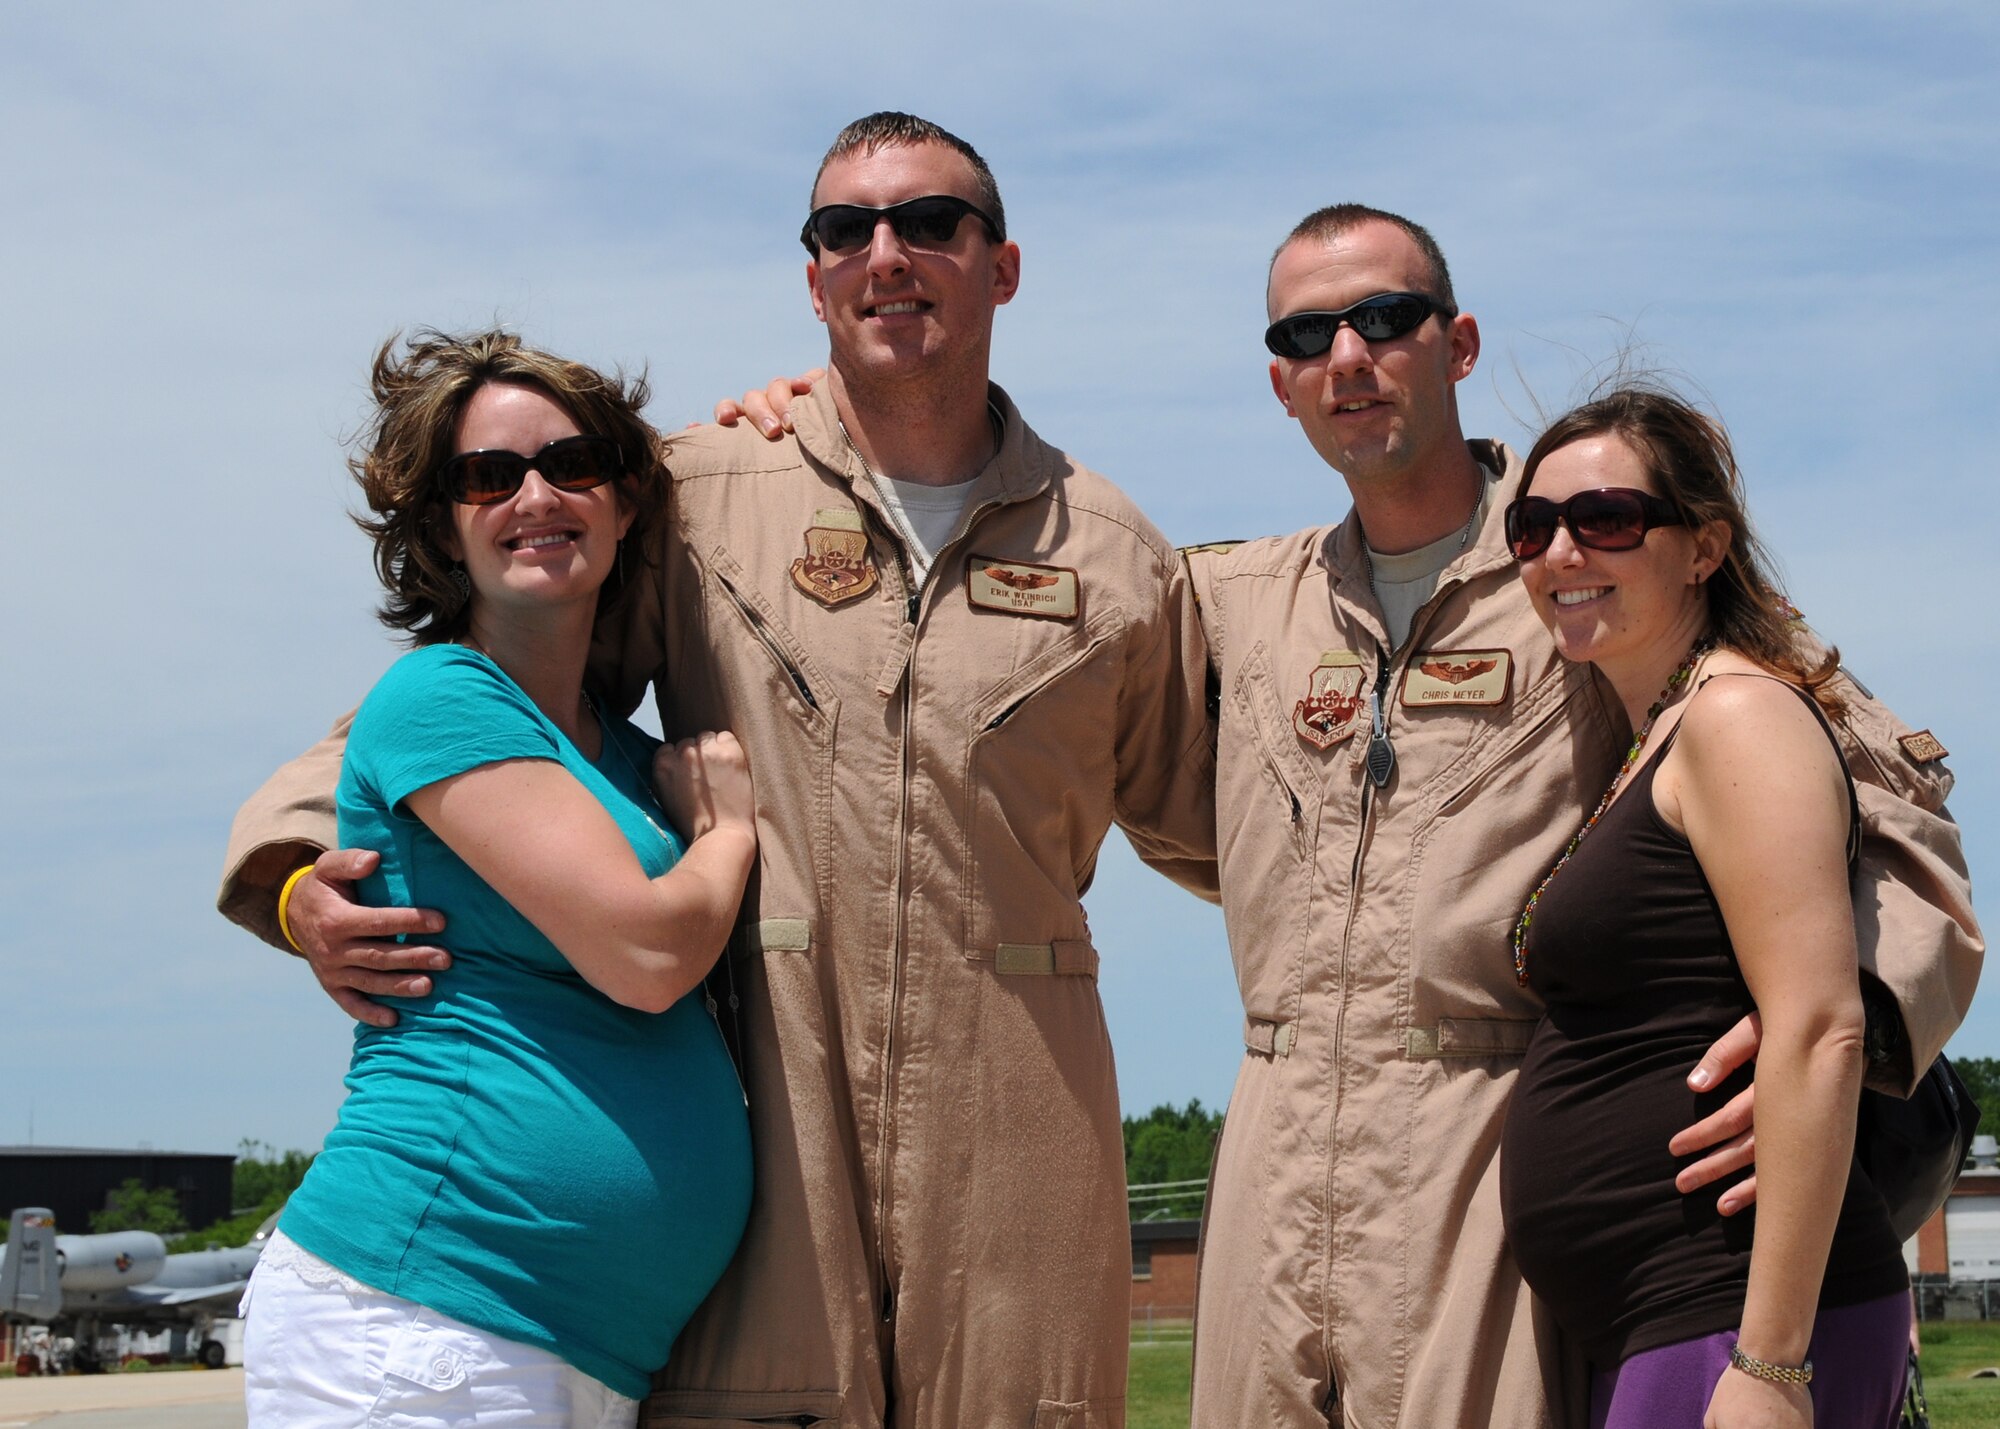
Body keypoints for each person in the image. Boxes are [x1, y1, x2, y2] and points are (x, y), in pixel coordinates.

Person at [218, 115, 1218, 1428]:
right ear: (813, 281)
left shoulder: (1115, 556)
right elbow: (451, 708)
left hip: (1015, 1167)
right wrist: (297, 881)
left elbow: (1241, 827)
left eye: (929, 223)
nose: (886, 255)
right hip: (769, 1185)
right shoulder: (697, 505)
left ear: (1003, 265)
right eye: (844, 231)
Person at [1180, 207, 1979, 1428]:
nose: (1348, 353)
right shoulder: (1234, 605)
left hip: (1487, 1193)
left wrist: (1833, 1037)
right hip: (1275, 1169)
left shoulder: (1599, 572)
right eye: (1306, 332)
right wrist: (816, 422)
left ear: (1457, 344)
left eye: (1386, 318)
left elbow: (1892, 813)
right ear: (1279, 377)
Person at [238, 331, 758, 1427]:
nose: (534, 494)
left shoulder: (614, 754)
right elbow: (649, 951)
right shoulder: (440, 696)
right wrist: (726, 833)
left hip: (553, 1346)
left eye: (571, 465)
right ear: (442, 527)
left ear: (623, 503)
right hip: (420, 1321)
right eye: (489, 476)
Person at [1499, 388, 1913, 1427]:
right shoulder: (1659, 731)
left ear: (1701, 548)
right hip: (1668, 1322)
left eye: (1604, 519)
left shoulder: (1735, 716)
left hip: (1733, 1322)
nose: (1560, 552)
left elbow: (1819, 1026)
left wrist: (1769, 1365)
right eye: (1531, 526)